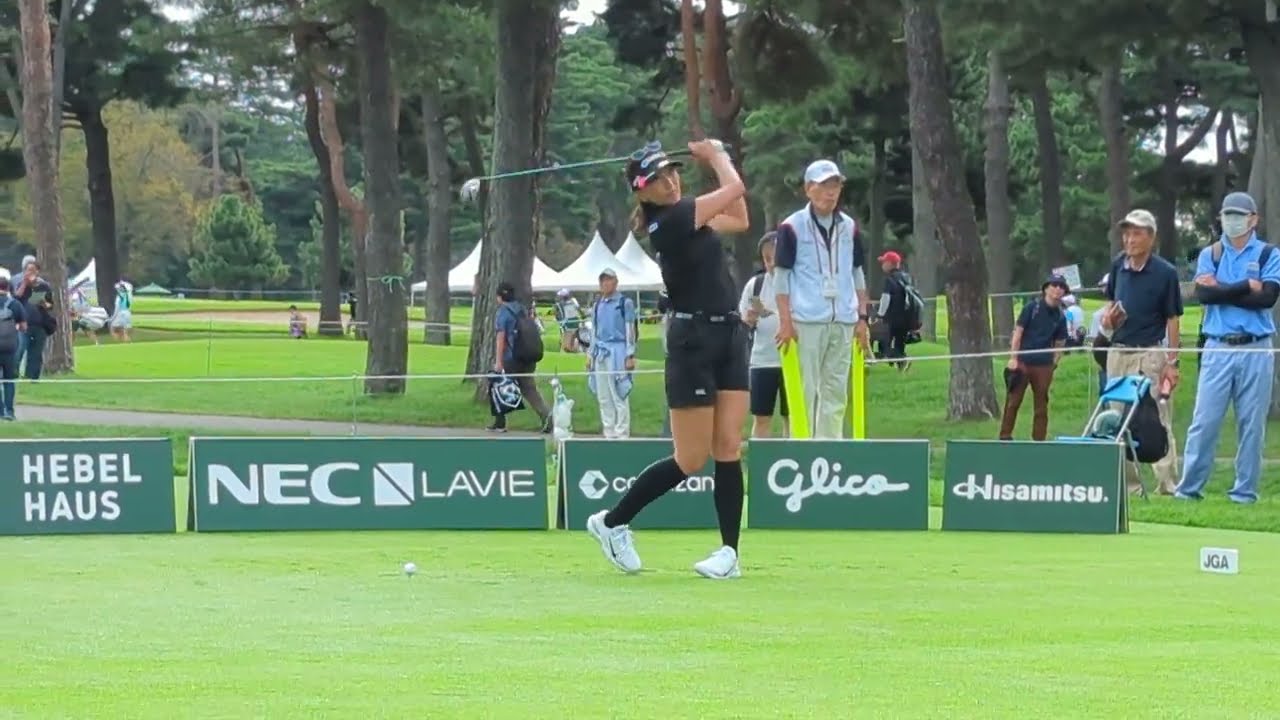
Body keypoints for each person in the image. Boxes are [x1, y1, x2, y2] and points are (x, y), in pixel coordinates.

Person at [586, 138, 749, 580]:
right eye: (658, 179)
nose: (671, 181)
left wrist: (719, 159)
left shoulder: (690, 213)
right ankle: (613, 522)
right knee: (692, 458)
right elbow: (734, 190)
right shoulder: (670, 220)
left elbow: (740, 217)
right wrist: (716, 155)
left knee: (729, 446)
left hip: (730, 333)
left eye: (673, 172)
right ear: (642, 191)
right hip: (692, 340)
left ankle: (729, 554)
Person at [1176, 192, 1280, 504]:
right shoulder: (1211, 253)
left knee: (1251, 423)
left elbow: (1267, 299)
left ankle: (1244, 493)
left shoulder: (1268, 254)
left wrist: (1221, 289)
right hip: (1218, 346)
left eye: (1238, 215)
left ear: (1253, 219)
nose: (1232, 221)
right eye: (1227, 214)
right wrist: (1246, 286)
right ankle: (1188, 489)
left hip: (1256, 347)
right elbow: (1204, 297)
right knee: (1205, 420)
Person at [773, 159, 870, 438]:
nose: (831, 192)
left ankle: (830, 450)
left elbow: (857, 272)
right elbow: (781, 276)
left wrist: (862, 317)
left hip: (843, 318)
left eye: (836, 185)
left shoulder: (849, 226)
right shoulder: (792, 226)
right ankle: (802, 449)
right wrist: (785, 321)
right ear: (808, 189)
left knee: (836, 391)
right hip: (806, 319)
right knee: (805, 389)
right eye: (824, 185)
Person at [1102, 208, 1184, 495]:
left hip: (1150, 353)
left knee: (1158, 418)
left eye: (1136, 233)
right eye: (1127, 233)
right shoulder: (1118, 266)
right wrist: (1107, 320)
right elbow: (1110, 304)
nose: (1129, 239)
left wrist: (1172, 362)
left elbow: (1173, 318)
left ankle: (1167, 483)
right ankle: (1130, 487)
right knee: (1117, 419)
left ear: (1151, 237)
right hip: (1119, 351)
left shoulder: (1165, 273)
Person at [998, 275, 1069, 441]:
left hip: (1043, 364)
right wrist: (1013, 358)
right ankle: (1005, 436)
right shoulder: (1032, 308)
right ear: (1046, 288)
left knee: (1041, 406)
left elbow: (1060, 342)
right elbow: (1018, 333)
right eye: (1054, 285)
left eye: (1061, 286)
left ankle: (1039, 441)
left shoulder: (1060, 316)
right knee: (1013, 401)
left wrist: (1054, 362)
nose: (1058, 289)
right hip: (1022, 361)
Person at [739, 231, 789, 438]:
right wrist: (749, 319)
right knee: (761, 417)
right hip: (762, 361)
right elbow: (742, 319)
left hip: (792, 360)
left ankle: (793, 456)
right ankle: (761, 462)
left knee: (792, 416)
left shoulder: (798, 283)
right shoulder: (755, 285)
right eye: (767, 259)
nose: (771, 264)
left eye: (775, 258)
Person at [489, 280, 551, 434]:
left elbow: (501, 338)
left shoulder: (503, 312)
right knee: (529, 389)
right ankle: (547, 417)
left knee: (498, 385)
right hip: (527, 356)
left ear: (499, 297)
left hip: (512, 357)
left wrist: (498, 362)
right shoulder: (522, 309)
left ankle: (500, 422)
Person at [586, 268, 637, 439]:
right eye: (602, 281)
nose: (605, 284)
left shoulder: (625, 303)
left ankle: (622, 432)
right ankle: (608, 431)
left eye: (608, 280)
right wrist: (590, 354)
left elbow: (630, 330)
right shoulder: (597, 304)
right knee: (603, 395)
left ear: (615, 282)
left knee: (618, 392)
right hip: (600, 350)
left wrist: (630, 354)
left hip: (618, 350)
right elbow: (595, 331)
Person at [876, 250, 913, 371]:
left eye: (884, 262)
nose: (882, 265)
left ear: (890, 264)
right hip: (906, 317)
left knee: (884, 344)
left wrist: (880, 315)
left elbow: (885, 299)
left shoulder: (889, 280)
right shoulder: (906, 278)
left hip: (892, 318)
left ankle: (902, 359)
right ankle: (901, 366)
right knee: (899, 344)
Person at [0, 277, 27, 420]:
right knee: (9, 380)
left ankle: (0, 411)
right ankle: (10, 412)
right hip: (10, 348)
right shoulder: (15, 304)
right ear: (8, 288)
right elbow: (23, 327)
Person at [553, 288, 583, 353]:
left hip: (570, 324)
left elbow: (556, 313)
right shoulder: (568, 302)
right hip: (573, 323)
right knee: (569, 343)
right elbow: (580, 311)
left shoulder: (562, 303)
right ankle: (575, 349)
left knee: (567, 345)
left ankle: (576, 350)